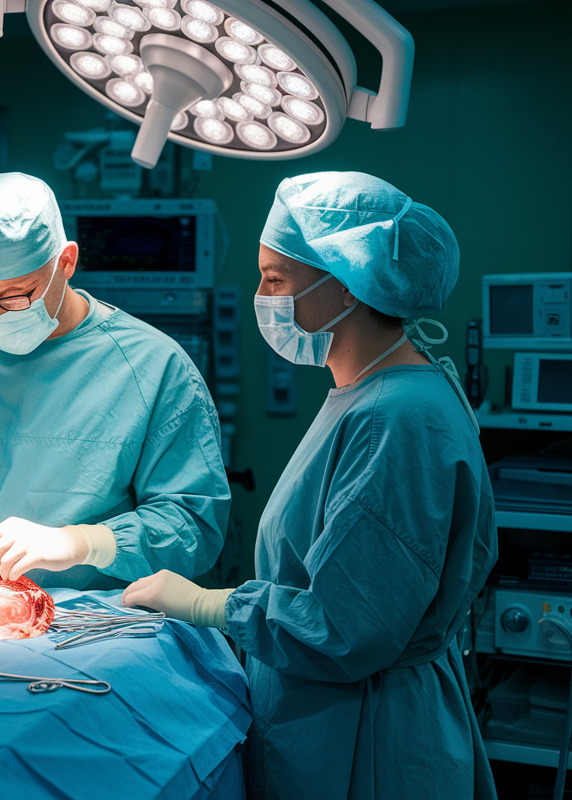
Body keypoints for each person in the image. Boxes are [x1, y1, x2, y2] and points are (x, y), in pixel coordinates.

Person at [122, 171, 498, 799]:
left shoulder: (395, 418)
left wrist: (211, 604)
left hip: (369, 741)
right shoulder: (370, 394)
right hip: (333, 714)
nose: (261, 298)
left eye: (276, 280)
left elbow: (350, 625)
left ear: (346, 281)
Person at [0, 172, 230, 589]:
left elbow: (193, 528)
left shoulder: (152, 366)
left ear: (66, 263)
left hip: (97, 633)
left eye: (16, 295)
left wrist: (82, 543)